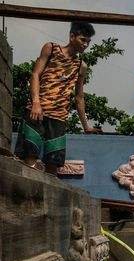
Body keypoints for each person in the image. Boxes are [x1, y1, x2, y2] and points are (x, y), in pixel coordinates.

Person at [14, 21, 100, 175]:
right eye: (83, 40)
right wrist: (36, 103)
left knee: (53, 163)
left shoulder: (81, 65)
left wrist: (86, 126)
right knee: (30, 156)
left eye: (88, 41)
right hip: (37, 110)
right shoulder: (51, 49)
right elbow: (35, 75)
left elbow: (79, 96)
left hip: (59, 117)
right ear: (72, 36)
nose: (86, 45)